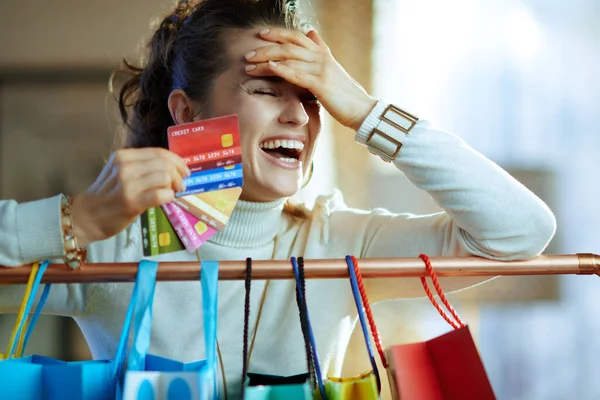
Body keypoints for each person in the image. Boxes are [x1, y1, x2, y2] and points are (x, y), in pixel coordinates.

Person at [0, 0, 555, 397]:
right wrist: (82, 219)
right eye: (265, 90)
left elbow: (520, 232)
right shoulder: (113, 247)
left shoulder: (341, 242)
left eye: (311, 98)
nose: (296, 116)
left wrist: (365, 112)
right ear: (188, 113)